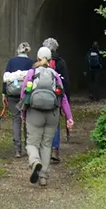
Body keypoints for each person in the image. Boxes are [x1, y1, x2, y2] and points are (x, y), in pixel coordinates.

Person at [21, 46, 73, 187]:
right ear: (51, 61)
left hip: (34, 112)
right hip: (52, 114)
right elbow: (63, 98)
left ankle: (35, 161)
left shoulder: (32, 73)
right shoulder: (55, 75)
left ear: (37, 58)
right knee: (46, 145)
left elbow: (24, 94)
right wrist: (69, 117)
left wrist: (23, 113)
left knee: (32, 143)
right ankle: (43, 177)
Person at [2, 42, 34, 157]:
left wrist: (4, 94)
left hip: (12, 95)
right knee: (26, 119)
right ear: (28, 51)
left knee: (16, 120)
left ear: (18, 50)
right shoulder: (32, 63)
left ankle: (17, 149)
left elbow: (5, 79)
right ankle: (27, 147)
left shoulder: (11, 62)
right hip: (26, 95)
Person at [42, 37, 70, 163]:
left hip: (41, 97)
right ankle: (54, 149)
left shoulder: (39, 62)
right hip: (56, 98)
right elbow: (66, 82)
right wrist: (66, 100)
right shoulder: (61, 62)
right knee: (55, 124)